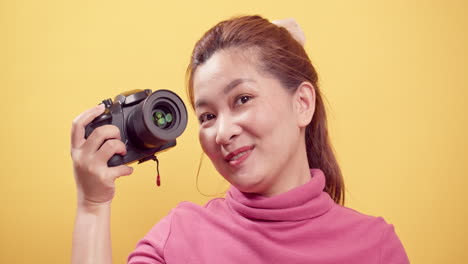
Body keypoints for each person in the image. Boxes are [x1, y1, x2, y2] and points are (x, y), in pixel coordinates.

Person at [71, 15, 409, 264]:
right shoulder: (177, 238)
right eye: (207, 116)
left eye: (242, 99)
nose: (222, 132)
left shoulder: (375, 247)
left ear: (302, 104)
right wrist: (92, 206)